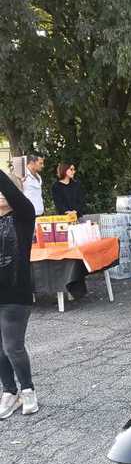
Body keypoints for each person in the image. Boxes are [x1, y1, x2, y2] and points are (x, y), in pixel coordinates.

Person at [0, 168, 38, 419]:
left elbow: (10, 191)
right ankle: (9, 392)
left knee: (12, 346)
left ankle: (27, 390)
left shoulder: (23, 216)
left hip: (16, 293)